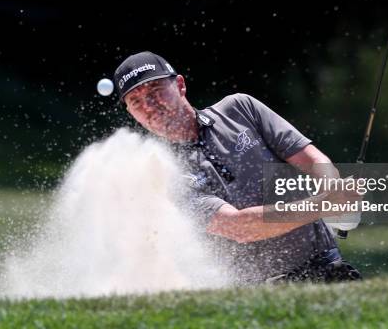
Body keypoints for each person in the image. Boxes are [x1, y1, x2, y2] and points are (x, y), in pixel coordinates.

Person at [113, 51, 362, 284]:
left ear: (180, 85)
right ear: (132, 113)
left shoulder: (240, 109)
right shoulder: (163, 173)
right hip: (262, 292)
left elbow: (313, 159)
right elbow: (240, 227)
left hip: (327, 266)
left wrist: (336, 190)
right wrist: (323, 204)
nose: (149, 106)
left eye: (156, 90)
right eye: (136, 101)